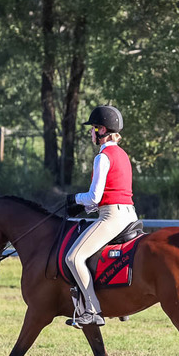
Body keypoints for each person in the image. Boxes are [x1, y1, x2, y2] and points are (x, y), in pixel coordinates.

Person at [64, 105, 137, 328]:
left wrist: (75, 199)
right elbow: (111, 193)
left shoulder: (103, 156)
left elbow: (95, 196)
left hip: (112, 217)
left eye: (93, 129)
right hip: (130, 213)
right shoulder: (123, 154)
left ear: (102, 130)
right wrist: (85, 208)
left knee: (73, 257)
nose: (91, 133)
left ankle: (93, 310)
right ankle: (120, 302)